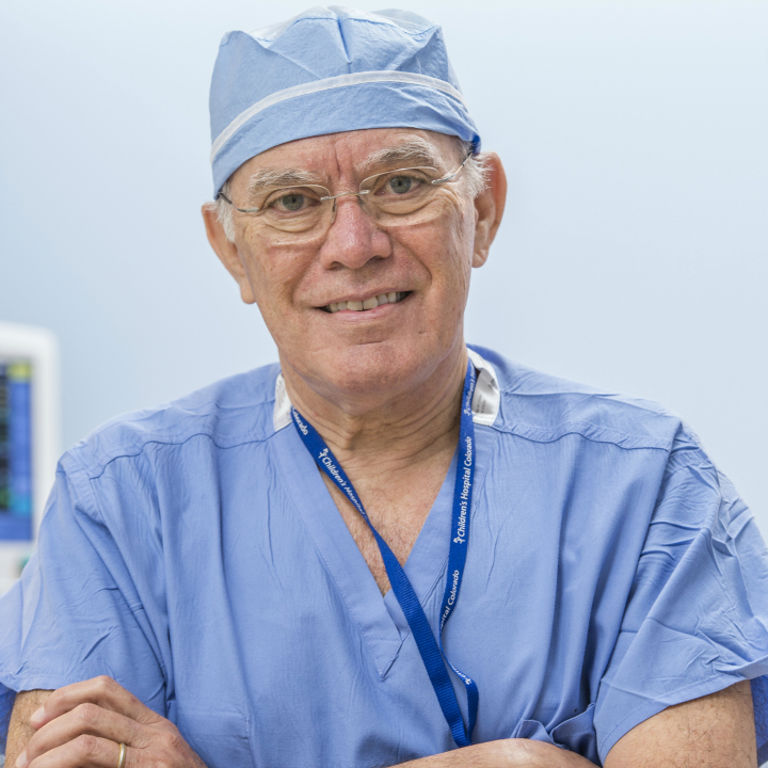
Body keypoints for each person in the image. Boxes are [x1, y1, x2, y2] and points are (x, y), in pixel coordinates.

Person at [2, 7, 768, 767]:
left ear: (484, 210)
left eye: (400, 184)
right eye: (291, 203)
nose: (354, 246)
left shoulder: (644, 486)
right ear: (231, 250)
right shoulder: (122, 504)